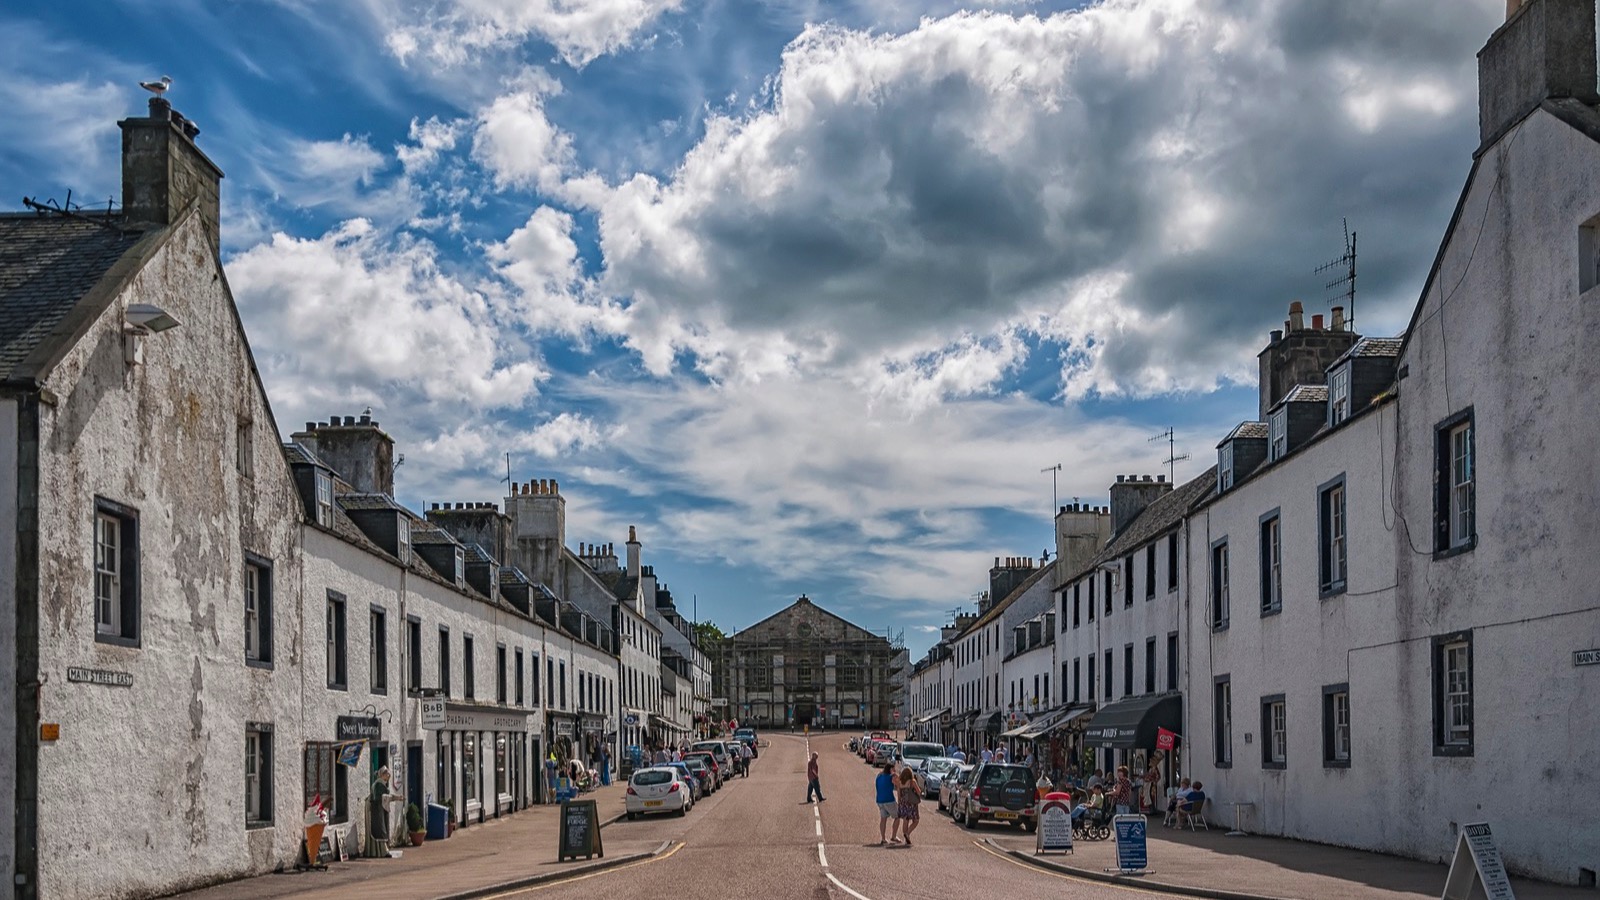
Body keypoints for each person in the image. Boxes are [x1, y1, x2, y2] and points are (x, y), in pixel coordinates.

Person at [895, 766, 922, 846]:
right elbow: (919, 792)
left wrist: (899, 803)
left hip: (903, 803)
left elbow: (899, 795)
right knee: (916, 820)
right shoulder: (912, 782)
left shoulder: (899, 782)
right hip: (911, 803)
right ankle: (908, 833)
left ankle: (907, 838)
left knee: (905, 820)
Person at [874, 762, 898, 845]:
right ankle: (893, 836)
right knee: (897, 816)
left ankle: (883, 838)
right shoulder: (891, 777)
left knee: (883, 819)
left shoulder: (879, 776)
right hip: (889, 799)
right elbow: (898, 783)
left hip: (880, 800)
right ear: (891, 769)